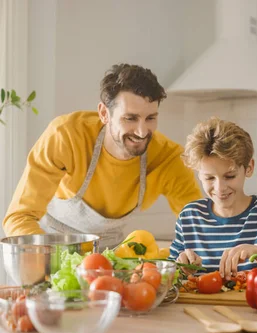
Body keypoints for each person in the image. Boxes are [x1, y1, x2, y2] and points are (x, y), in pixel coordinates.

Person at [2, 64, 202, 248]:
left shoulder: (169, 159)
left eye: (150, 118)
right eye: (130, 118)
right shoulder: (66, 136)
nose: (142, 132)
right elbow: (19, 217)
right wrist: (46, 263)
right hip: (49, 247)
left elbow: (198, 229)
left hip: (109, 260)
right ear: (104, 114)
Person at [169, 117, 257, 284]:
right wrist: (180, 268)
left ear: (248, 168)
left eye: (230, 176)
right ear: (199, 174)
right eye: (209, 178)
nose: (220, 188)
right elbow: (166, 277)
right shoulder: (189, 217)